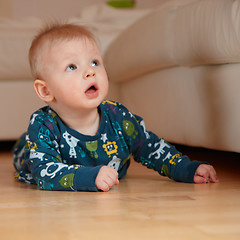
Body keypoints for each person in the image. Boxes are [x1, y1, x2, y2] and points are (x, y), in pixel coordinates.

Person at [13, 23, 219, 192]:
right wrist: (90, 177)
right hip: (31, 153)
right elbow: (44, 172)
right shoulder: (43, 125)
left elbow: (151, 147)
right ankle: (24, 142)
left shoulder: (118, 117)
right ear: (46, 91)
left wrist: (186, 169)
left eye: (94, 62)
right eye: (72, 66)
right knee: (26, 149)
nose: (89, 72)